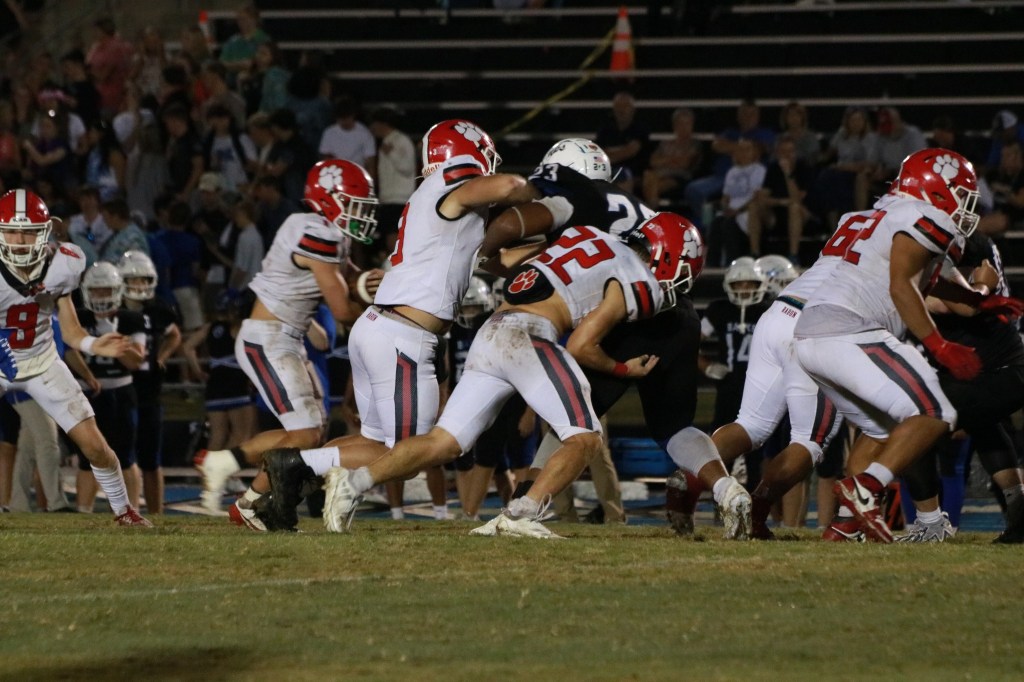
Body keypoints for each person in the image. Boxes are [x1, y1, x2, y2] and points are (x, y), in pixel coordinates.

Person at [313, 213, 746, 539]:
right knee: (584, 436)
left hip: (492, 332)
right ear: (668, 254)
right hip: (529, 336)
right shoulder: (639, 279)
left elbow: (513, 263)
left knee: (444, 442)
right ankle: (524, 513)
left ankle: (354, 483)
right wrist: (622, 369)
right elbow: (581, 347)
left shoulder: (588, 234)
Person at [259, 119, 534, 531]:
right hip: (403, 336)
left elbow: (496, 261)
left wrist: (550, 247)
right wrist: (551, 195)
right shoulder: (451, 180)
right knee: (408, 457)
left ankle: (282, 487)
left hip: (385, 327)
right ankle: (296, 466)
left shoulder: (443, 207)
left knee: (375, 445)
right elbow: (510, 186)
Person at [478, 139, 747, 536]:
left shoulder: (579, 202)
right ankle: (726, 489)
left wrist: (481, 253)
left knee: (568, 423)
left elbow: (529, 249)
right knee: (674, 426)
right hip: (678, 309)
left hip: (628, 311)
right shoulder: (633, 207)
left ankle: (523, 507)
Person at [793, 148, 1021, 543]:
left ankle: (846, 526)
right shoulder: (925, 216)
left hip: (810, 333)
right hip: (852, 329)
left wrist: (979, 301)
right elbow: (902, 285)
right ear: (935, 190)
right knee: (934, 412)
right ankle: (868, 487)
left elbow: (928, 282)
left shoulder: (879, 213)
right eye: (961, 194)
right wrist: (939, 346)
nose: (966, 206)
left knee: (884, 430)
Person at [194, 159, 379, 530]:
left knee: (314, 431)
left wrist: (368, 283)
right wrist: (386, 314)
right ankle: (226, 465)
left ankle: (246, 501)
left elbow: (346, 278)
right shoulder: (316, 232)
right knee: (306, 432)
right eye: (354, 203)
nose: (362, 213)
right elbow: (342, 308)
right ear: (328, 200)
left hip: (287, 336)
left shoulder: (326, 231)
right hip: (268, 338)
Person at [0, 189, 149, 525]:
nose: (20, 240)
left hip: (41, 364)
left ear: (45, 232)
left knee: (96, 447)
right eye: (11, 230)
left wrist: (96, 346)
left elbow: (71, 332)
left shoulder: (62, 264)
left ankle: (125, 511)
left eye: (28, 231)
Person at [74, 262, 147, 511]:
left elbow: (137, 362)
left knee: (126, 455)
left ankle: (133, 509)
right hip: (87, 391)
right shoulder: (79, 317)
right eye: (96, 290)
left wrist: (116, 341)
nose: (101, 296)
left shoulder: (130, 318)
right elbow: (68, 352)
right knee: (87, 457)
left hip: (120, 391)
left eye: (106, 290)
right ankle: (84, 511)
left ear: (116, 290)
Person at [118, 250, 181, 514]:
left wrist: (163, 357)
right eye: (134, 280)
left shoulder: (159, 310)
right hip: (122, 388)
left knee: (151, 460)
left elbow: (174, 335)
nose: (140, 286)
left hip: (149, 391)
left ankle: (157, 513)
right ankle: (126, 511)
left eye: (144, 280)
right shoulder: (115, 309)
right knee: (123, 456)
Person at [746, 135, 815, 263]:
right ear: (777, 153)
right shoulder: (773, 168)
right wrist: (781, 202)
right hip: (777, 212)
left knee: (794, 208)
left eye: (789, 151)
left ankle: (793, 255)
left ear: (795, 152)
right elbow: (763, 198)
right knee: (754, 206)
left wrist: (788, 174)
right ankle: (754, 253)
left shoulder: (804, 168)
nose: (786, 155)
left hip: (802, 214)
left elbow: (796, 199)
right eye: (783, 151)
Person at [368, 107, 416, 253]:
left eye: (374, 123)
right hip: (388, 198)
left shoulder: (402, 141)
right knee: (388, 235)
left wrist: (392, 153)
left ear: (383, 124)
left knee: (393, 236)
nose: (372, 128)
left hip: (399, 198)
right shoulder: (386, 141)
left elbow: (408, 167)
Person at [641, 107, 703, 210]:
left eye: (687, 123)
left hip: (679, 177)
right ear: (674, 125)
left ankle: (650, 212)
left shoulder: (695, 144)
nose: (684, 127)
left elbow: (684, 163)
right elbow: (653, 162)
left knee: (651, 184)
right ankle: (653, 211)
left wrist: (664, 160)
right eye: (680, 123)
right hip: (658, 175)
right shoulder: (665, 143)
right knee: (649, 176)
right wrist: (673, 159)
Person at [595, 92, 650, 194]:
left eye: (625, 106)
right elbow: (599, 154)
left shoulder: (640, 129)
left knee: (622, 174)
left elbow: (631, 151)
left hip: (634, 172)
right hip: (608, 170)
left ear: (632, 109)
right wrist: (621, 151)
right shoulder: (605, 129)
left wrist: (611, 154)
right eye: (618, 106)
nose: (621, 110)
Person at [318, 95, 377, 179]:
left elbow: (370, 162)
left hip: (357, 176)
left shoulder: (364, 133)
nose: (344, 122)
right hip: (336, 177)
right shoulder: (329, 133)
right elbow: (325, 157)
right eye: (341, 119)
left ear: (353, 116)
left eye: (347, 118)